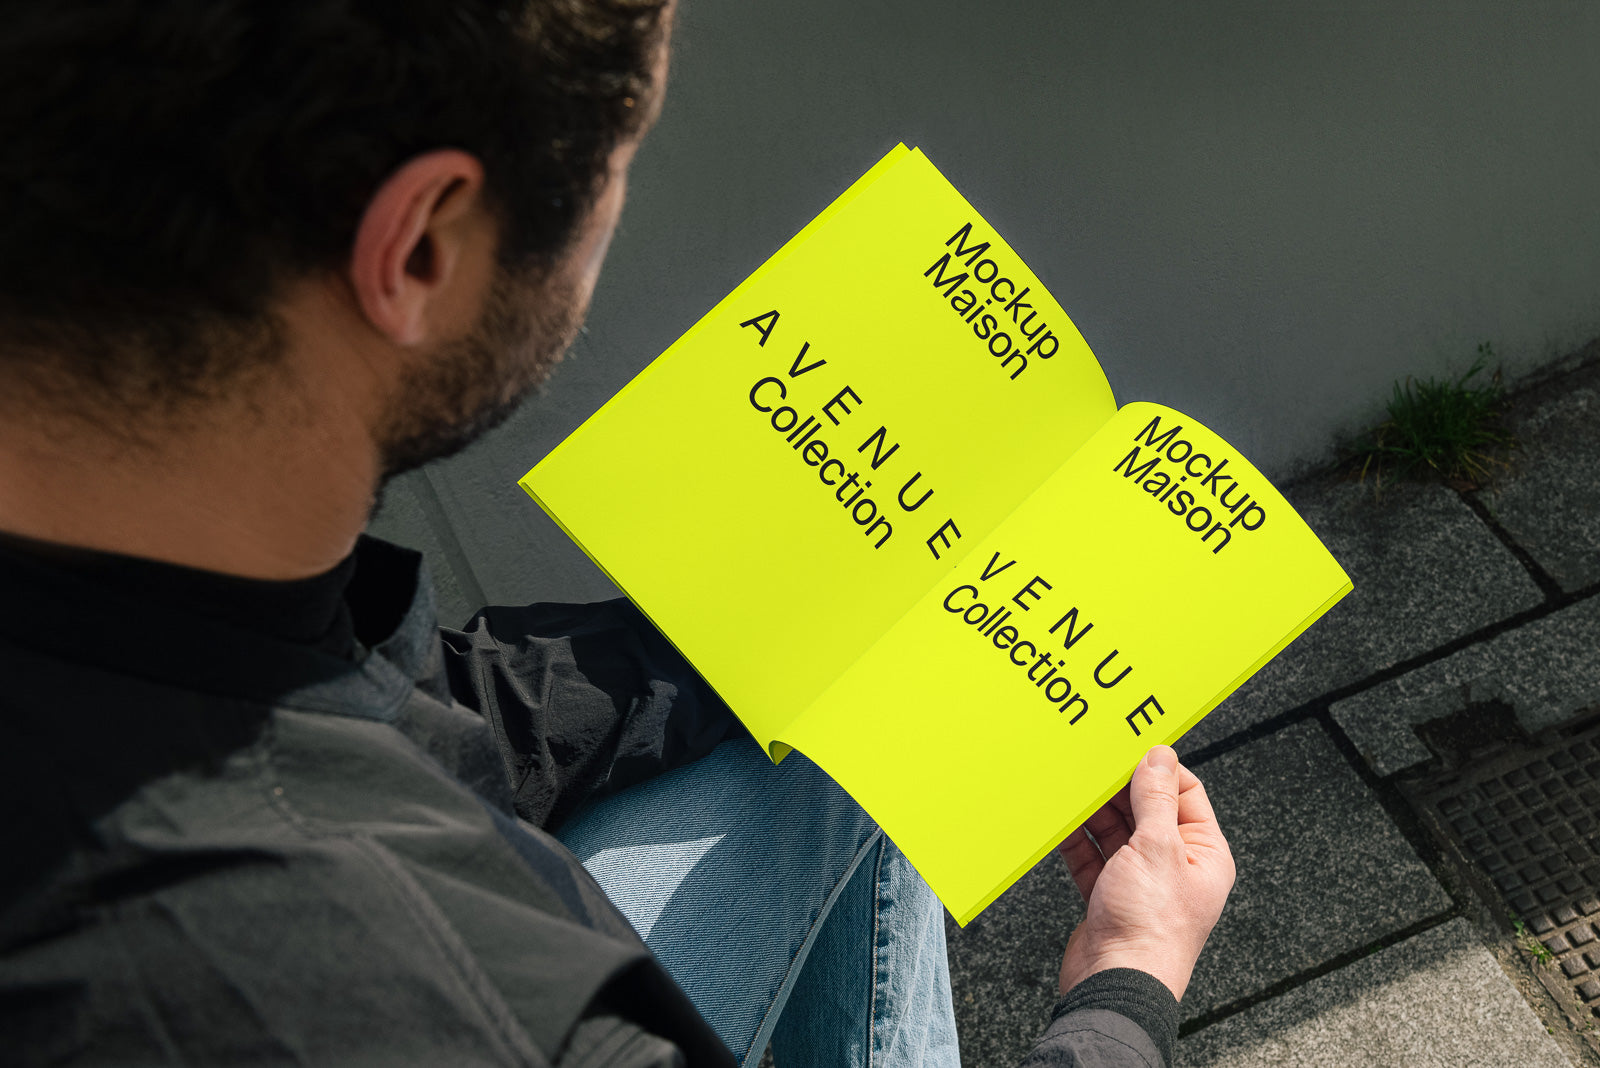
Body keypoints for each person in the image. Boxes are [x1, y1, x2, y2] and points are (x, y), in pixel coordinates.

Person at [0, 2, 1235, 1065]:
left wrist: (756, 645)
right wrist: (1123, 985)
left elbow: (396, 695)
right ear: (421, 243)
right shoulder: (472, 1007)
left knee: (830, 724)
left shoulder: (157, 572)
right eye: (614, 169)